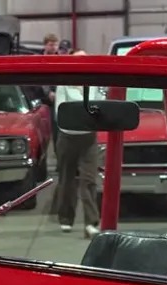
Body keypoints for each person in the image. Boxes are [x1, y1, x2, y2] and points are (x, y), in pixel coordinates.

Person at [50, 52, 97, 234]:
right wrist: (86, 116)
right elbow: (61, 112)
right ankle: (66, 218)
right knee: (67, 179)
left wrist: (84, 117)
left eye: (85, 58)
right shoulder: (64, 83)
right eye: (78, 58)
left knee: (89, 180)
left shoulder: (94, 83)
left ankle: (91, 223)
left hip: (89, 138)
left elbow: (99, 108)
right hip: (68, 137)